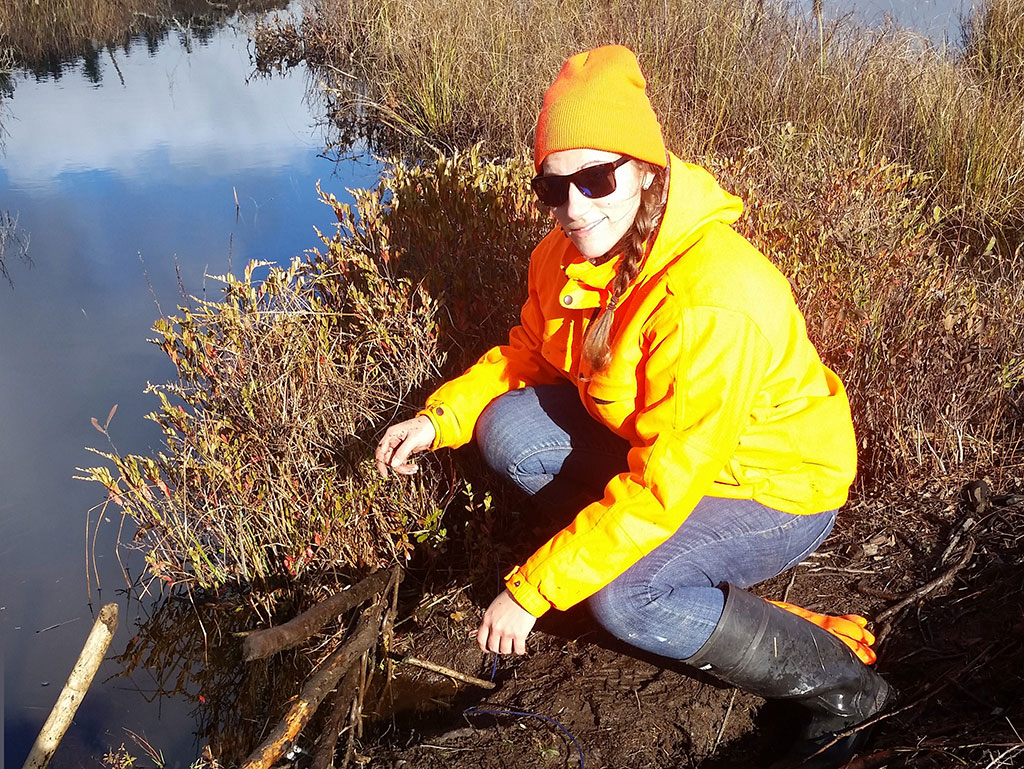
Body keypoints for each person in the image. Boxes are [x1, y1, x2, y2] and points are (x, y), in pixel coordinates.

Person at [375, 45, 890, 768]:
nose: (574, 209)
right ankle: (675, 576)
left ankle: (844, 690)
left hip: (772, 488)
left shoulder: (713, 298)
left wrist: (533, 589)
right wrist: (438, 418)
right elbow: (529, 349)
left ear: (645, 169)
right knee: (504, 427)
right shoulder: (565, 254)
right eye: (553, 188)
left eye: (595, 178)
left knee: (625, 598)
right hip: (664, 453)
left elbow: (663, 488)